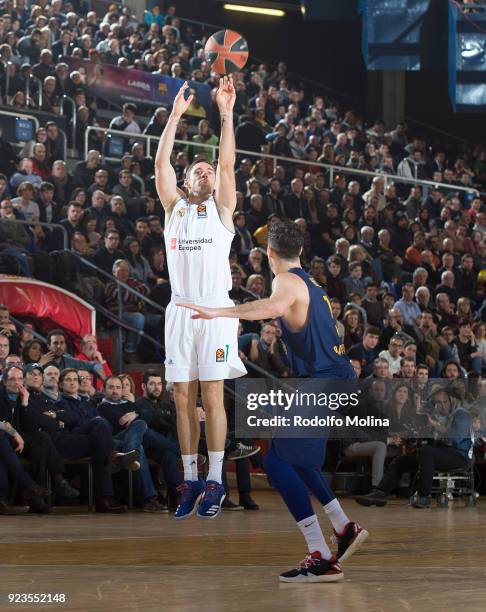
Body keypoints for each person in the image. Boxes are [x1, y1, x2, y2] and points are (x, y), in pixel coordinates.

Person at [180, 220, 368, 583]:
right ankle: (344, 528)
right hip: (338, 377)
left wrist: (220, 312)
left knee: (277, 461)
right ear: (300, 250)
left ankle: (322, 555)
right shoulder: (312, 281)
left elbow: (273, 306)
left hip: (323, 381)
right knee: (300, 461)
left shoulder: (286, 281)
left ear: (268, 253)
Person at [155, 78, 246, 520]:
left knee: (212, 394)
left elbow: (228, 164)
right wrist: (174, 116)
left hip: (215, 308)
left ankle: (215, 480)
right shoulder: (174, 209)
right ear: (187, 180)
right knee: (180, 397)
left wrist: (226, 113)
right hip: (179, 309)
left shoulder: (222, 210)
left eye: (208, 169)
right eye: (198, 170)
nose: (206, 172)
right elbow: (160, 164)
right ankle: (189, 478)